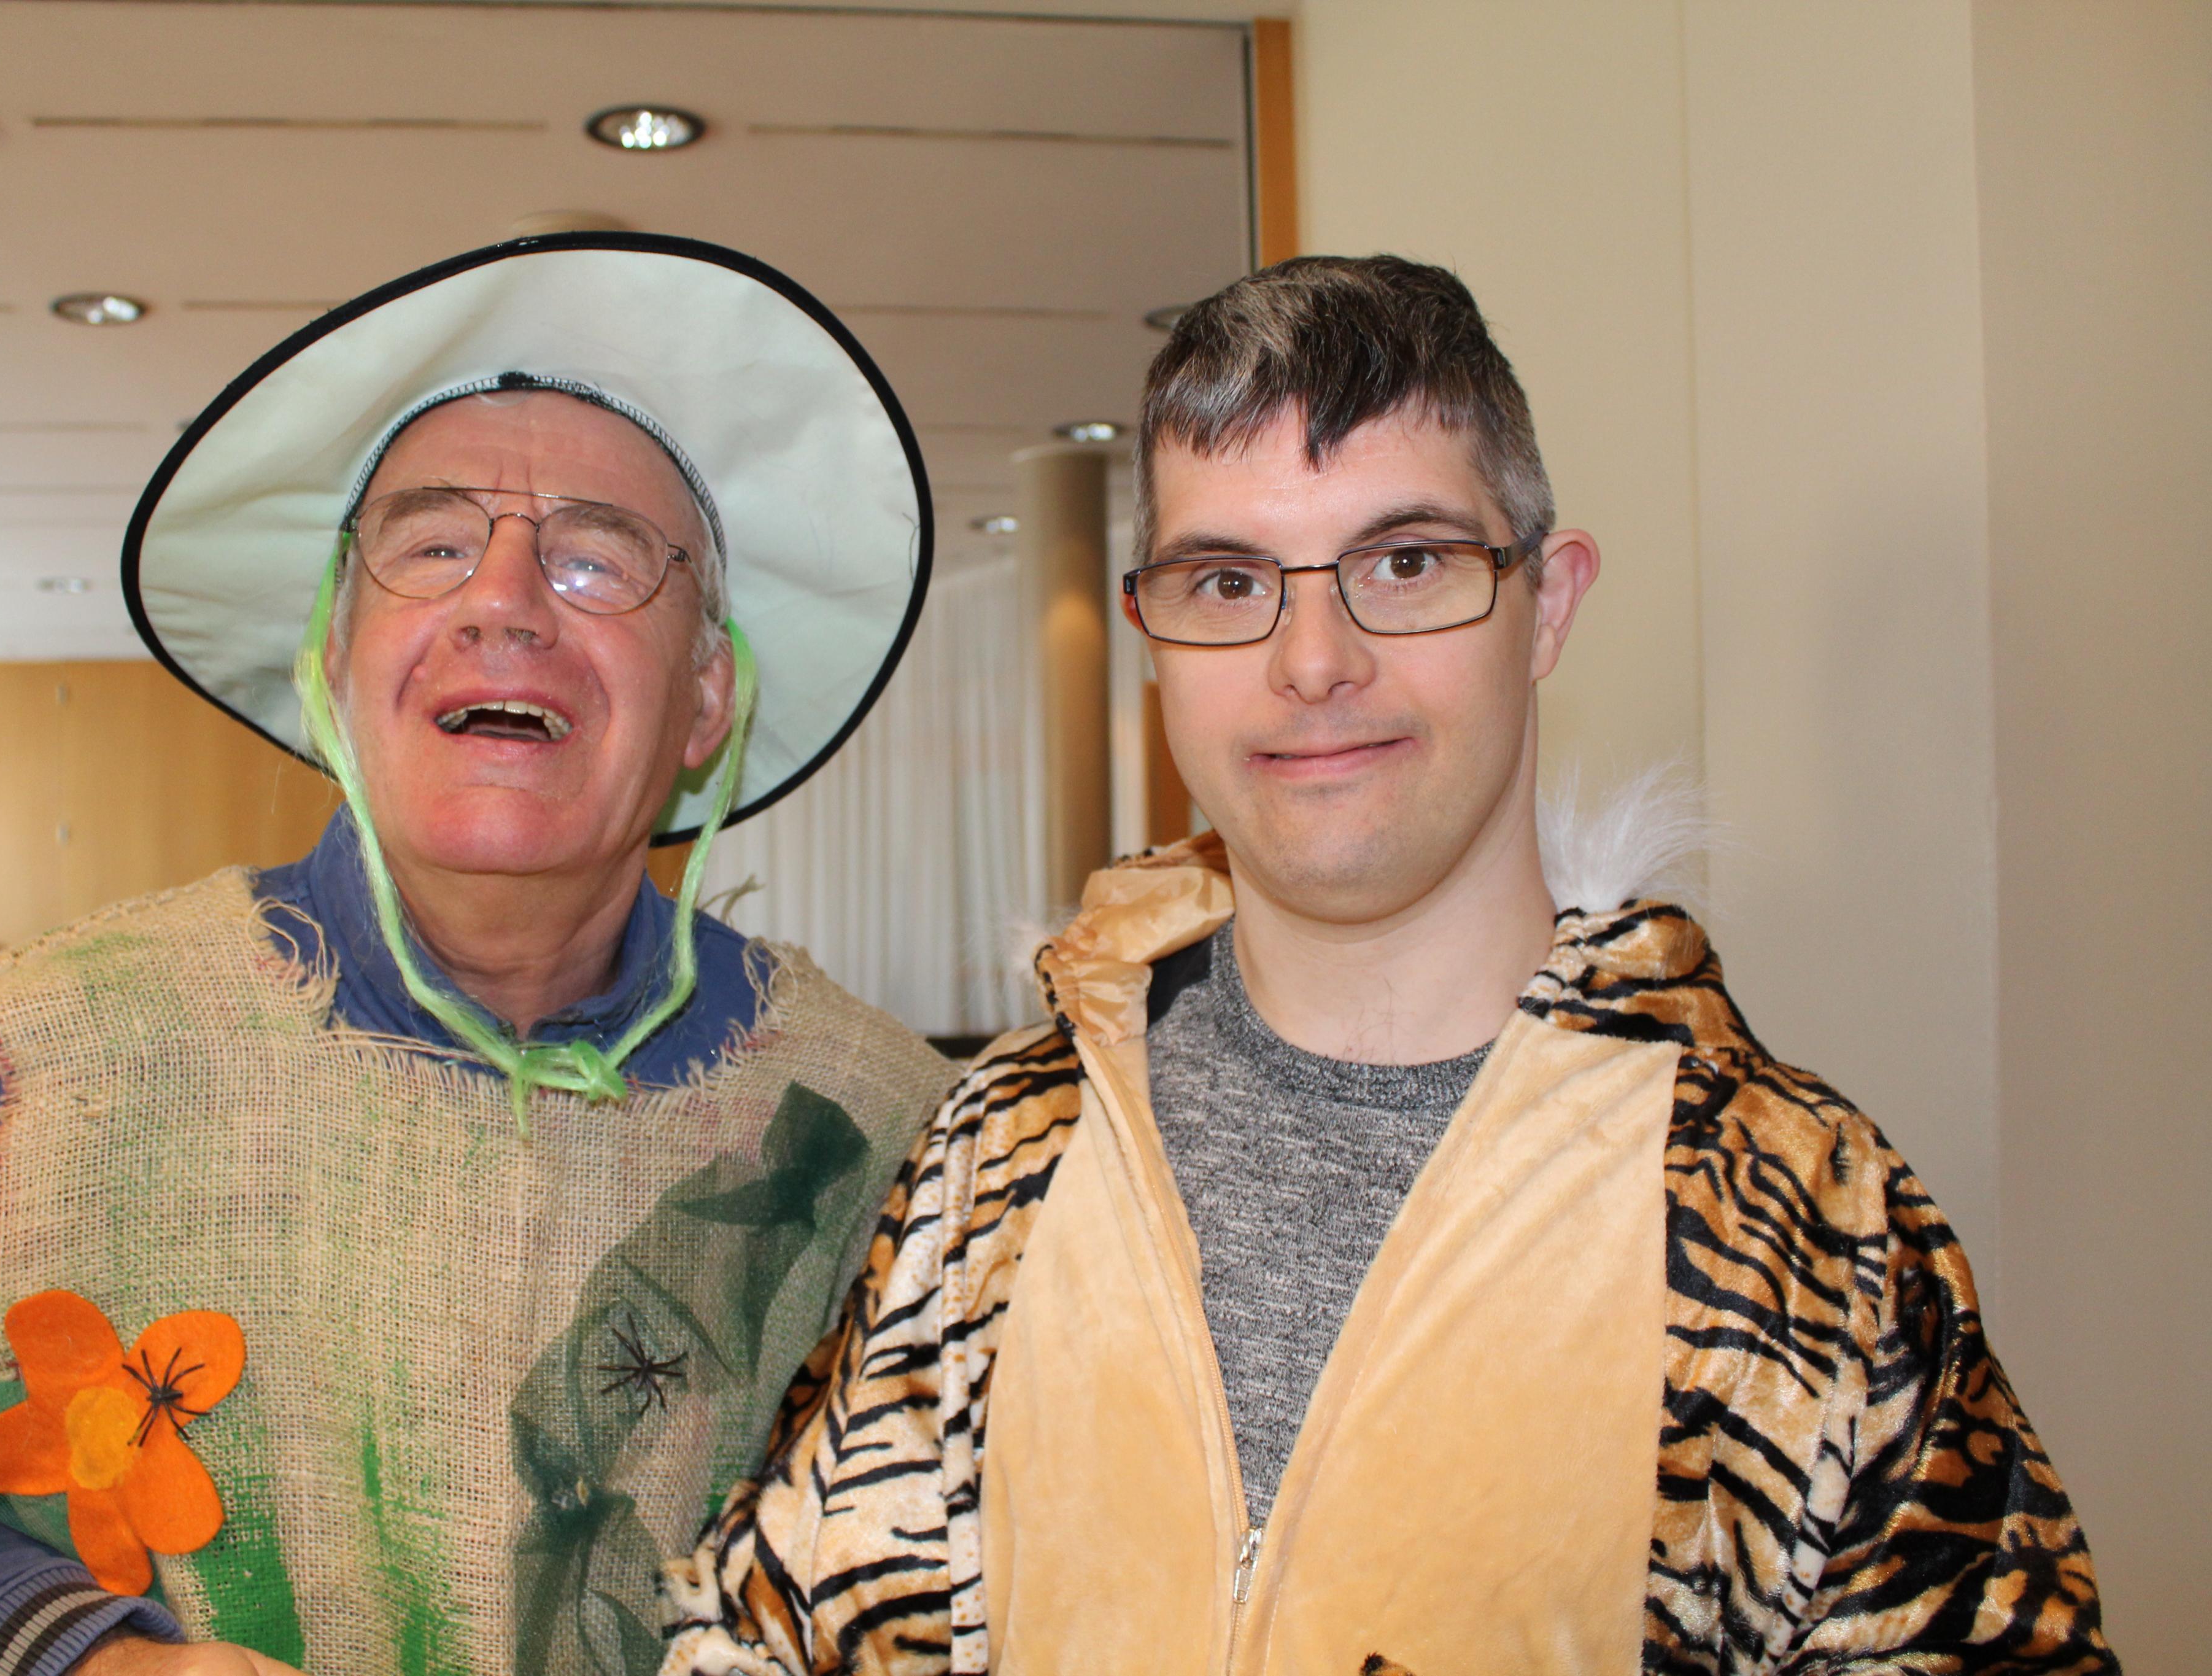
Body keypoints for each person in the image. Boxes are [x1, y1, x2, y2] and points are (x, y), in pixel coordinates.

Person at [665, 256, 2117, 1674]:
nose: (1312, 662)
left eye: (1405, 563)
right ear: (1154, 635)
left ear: (1547, 605)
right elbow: (768, 1634)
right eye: (1227, 580)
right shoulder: (998, 1156)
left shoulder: (1806, 1218)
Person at [0, 235, 954, 1676]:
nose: (506, 599)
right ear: (336, 663)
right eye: (433, 546)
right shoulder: (102, 1049)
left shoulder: (870, 1125)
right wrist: (103, 1662)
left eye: (595, 558)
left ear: (705, 700)